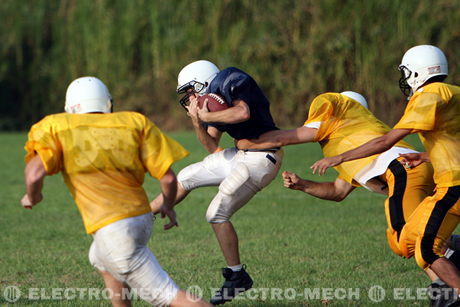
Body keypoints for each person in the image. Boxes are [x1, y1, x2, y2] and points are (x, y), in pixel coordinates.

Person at [21, 76, 211, 307]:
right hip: (141, 220)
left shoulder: (57, 126)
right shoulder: (133, 122)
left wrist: (34, 196)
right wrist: (167, 204)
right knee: (100, 259)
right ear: (108, 103)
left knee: (171, 297)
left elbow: (33, 175)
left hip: (115, 231)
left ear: (70, 107)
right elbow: (169, 178)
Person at [236, 91, 440, 279]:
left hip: (405, 172)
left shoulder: (344, 126)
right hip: (416, 175)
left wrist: (246, 142)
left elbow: (285, 137)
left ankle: (446, 286)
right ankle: (444, 279)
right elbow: (338, 191)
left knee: (407, 240)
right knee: (420, 238)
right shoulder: (356, 140)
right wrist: (303, 184)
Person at [310, 45, 460, 296]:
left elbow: (385, 141)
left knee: (425, 250)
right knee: (407, 237)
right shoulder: (455, 93)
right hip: (450, 182)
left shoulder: (428, 96)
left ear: (415, 73)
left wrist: (341, 157)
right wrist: (425, 155)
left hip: (453, 186)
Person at [150, 60, 283, 305]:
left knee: (216, 213)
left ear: (204, 81)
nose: (190, 97)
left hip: (262, 159)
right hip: (240, 155)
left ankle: (237, 276)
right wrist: (197, 122)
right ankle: (144, 215)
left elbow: (243, 112)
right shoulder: (212, 103)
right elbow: (212, 147)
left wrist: (207, 114)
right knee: (186, 176)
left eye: (191, 90)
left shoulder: (231, 79)